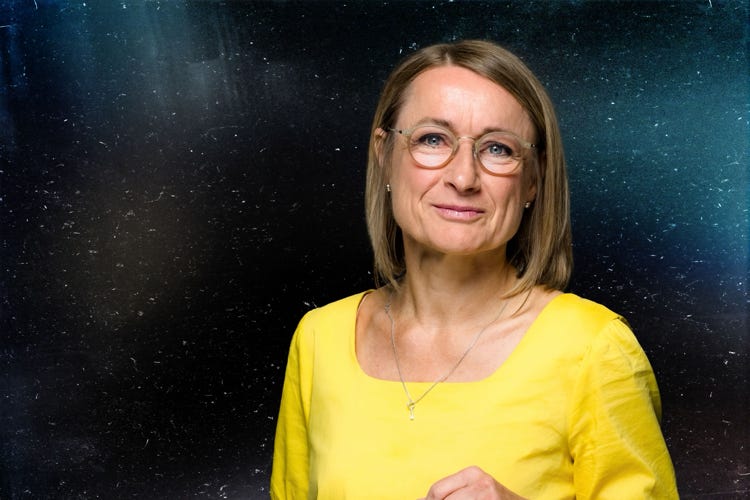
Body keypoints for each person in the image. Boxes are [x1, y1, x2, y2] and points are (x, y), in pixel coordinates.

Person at [270, 40, 678, 499]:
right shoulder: (319, 339)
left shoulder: (593, 348)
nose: (463, 178)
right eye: (432, 139)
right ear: (384, 156)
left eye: (498, 149)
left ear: (533, 179)